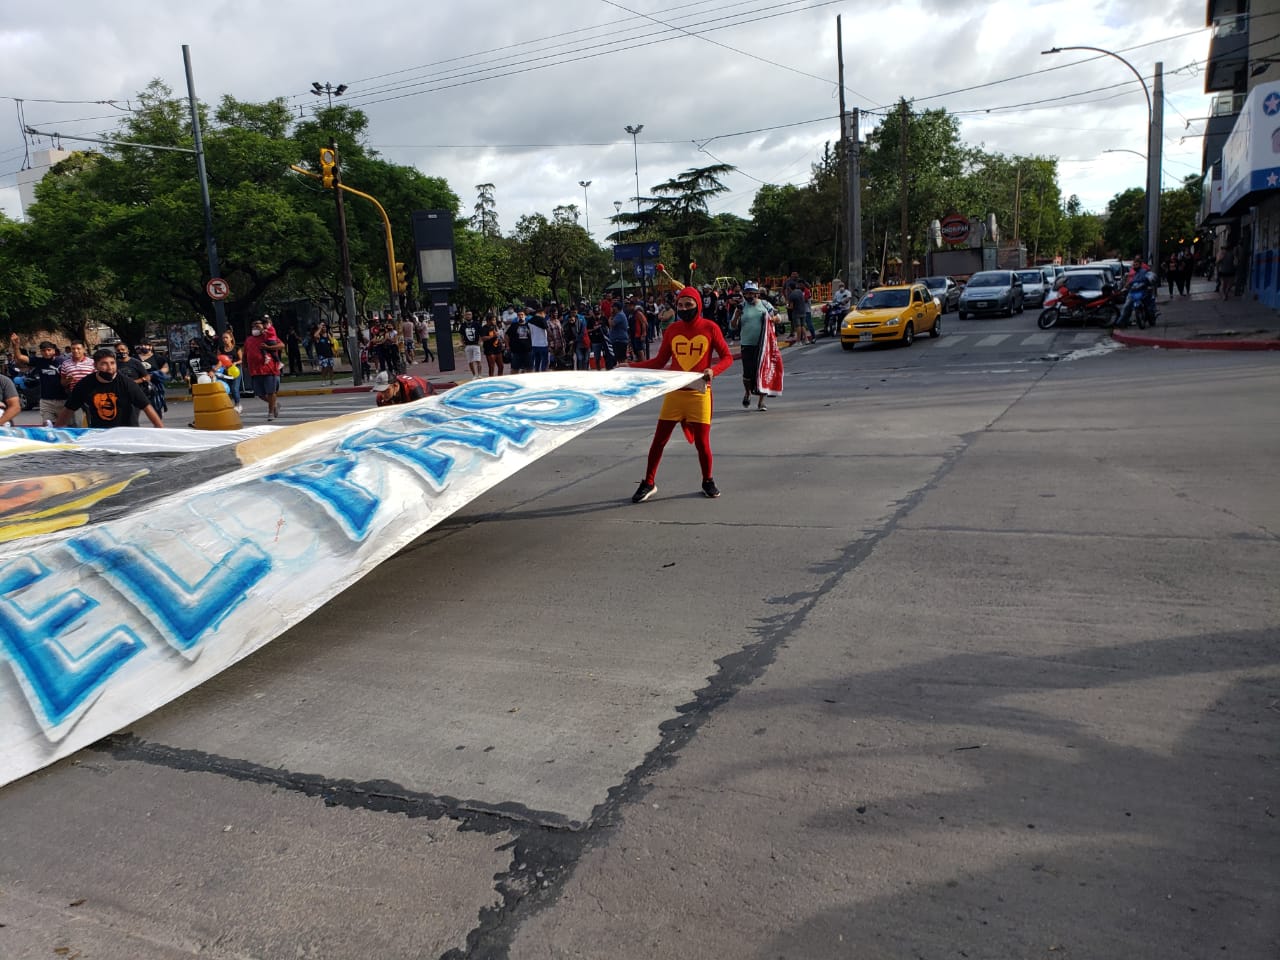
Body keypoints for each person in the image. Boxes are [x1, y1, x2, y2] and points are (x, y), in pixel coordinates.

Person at [627, 286, 734, 502]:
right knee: (659, 440)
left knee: (702, 443)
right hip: (674, 393)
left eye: (689, 304)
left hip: (699, 394)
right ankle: (649, 482)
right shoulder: (672, 330)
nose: (684, 308)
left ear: (698, 305)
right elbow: (659, 362)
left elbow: (727, 357)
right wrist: (630, 366)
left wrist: (713, 371)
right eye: (680, 305)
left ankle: (707, 480)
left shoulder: (710, 328)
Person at [56, 348, 164, 429]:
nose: (110, 368)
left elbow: (147, 407)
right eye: (104, 364)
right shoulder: (84, 385)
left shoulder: (127, 383)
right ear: (95, 366)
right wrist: (57, 431)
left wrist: (161, 431)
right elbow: (68, 409)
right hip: (101, 434)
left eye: (112, 363)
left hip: (127, 432)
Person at [731, 281, 773, 411]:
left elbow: (777, 318)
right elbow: (732, 326)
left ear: (757, 294)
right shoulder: (741, 307)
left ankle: (761, 401)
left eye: (752, 293)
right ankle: (748, 392)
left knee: (762, 372)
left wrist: (770, 319)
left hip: (762, 345)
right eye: (747, 293)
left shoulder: (765, 305)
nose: (750, 296)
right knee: (747, 374)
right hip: (747, 344)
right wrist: (736, 316)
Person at [9, 335, 69, 425]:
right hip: (46, 400)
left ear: (53, 350)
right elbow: (20, 357)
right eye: (44, 351)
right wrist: (16, 346)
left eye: (49, 350)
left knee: (65, 427)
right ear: (41, 352)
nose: (46, 353)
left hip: (63, 400)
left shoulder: (62, 361)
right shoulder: (39, 361)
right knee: (48, 426)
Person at [244, 318, 283, 420]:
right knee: (260, 394)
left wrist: (268, 348)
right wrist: (245, 364)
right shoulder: (249, 339)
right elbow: (245, 353)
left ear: (263, 326)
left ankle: (270, 412)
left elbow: (281, 345)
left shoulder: (267, 336)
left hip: (269, 369)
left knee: (271, 392)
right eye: (253, 325)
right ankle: (274, 404)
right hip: (255, 371)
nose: (255, 327)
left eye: (258, 325)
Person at [459, 309, 483, 377]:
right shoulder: (463, 325)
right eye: (467, 315)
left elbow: (481, 333)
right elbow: (461, 335)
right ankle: (474, 375)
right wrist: (462, 343)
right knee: (470, 361)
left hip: (476, 345)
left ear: (472, 315)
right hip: (467, 345)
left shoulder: (476, 324)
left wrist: (480, 341)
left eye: (470, 314)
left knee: (478, 360)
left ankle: (479, 375)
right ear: (465, 316)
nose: (468, 316)